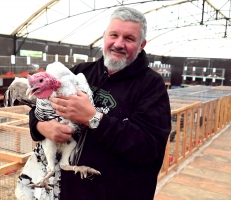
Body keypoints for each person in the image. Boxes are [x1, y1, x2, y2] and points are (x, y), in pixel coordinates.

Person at [29, 6, 171, 200]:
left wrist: (93, 118)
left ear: (142, 45)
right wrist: (41, 126)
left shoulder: (151, 85)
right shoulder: (79, 72)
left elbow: (149, 147)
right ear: (104, 36)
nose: (119, 44)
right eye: (114, 35)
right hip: (69, 191)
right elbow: (38, 106)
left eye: (129, 39)